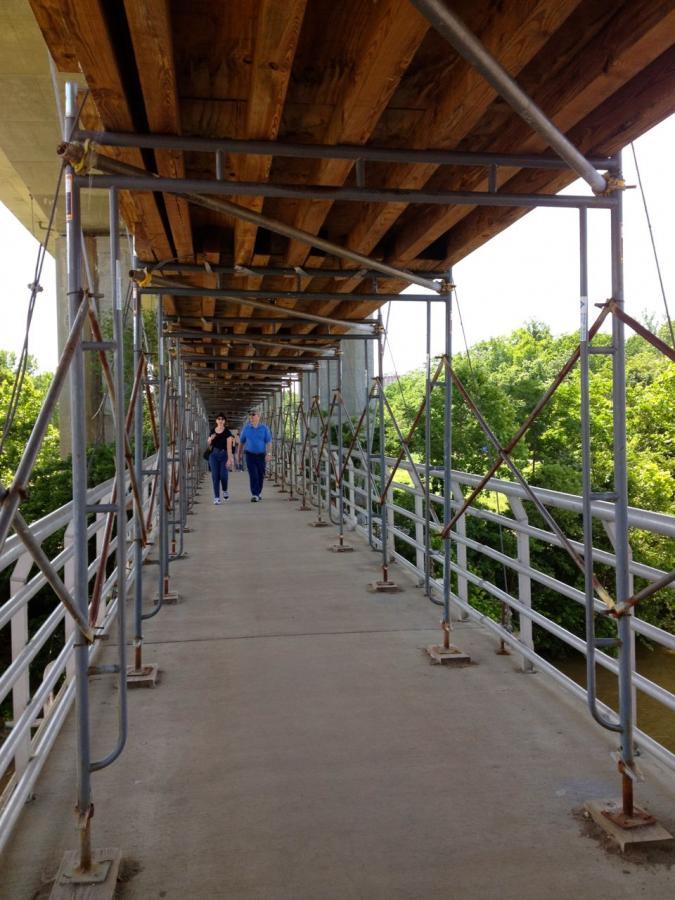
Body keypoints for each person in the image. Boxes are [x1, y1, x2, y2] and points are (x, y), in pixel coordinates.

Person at [238, 408, 272, 502]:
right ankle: (255, 494)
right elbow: (241, 442)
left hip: (261, 455)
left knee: (261, 474)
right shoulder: (246, 428)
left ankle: (258, 492)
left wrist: (268, 453)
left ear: (258, 416)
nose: (251, 416)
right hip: (250, 455)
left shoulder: (264, 428)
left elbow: (269, 442)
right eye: (250, 415)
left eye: (253, 414)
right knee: (253, 474)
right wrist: (239, 455)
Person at [207, 415, 234, 504]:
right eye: (219, 419)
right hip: (213, 455)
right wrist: (211, 438)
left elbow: (229, 447)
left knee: (223, 475)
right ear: (216, 421)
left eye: (222, 419)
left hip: (224, 455)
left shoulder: (227, 432)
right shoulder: (212, 430)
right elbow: (208, 443)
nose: (220, 420)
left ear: (224, 421)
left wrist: (230, 459)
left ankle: (225, 490)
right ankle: (217, 497)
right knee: (215, 476)